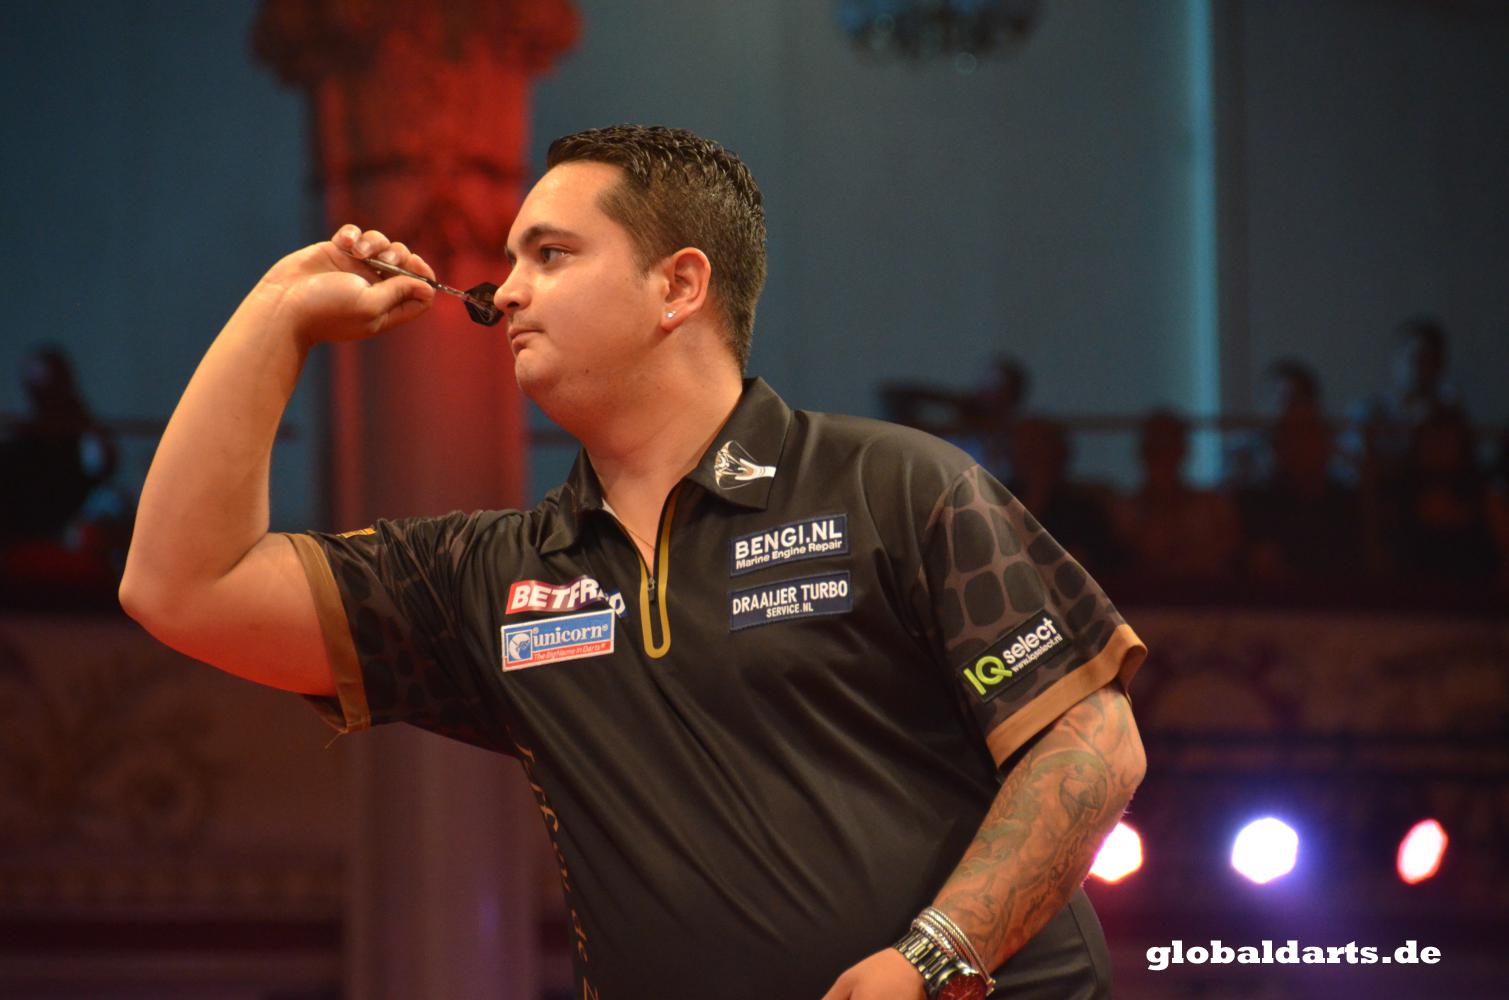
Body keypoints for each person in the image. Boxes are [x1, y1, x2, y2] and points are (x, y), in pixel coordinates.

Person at [121, 125, 1146, 1000]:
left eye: (550, 254)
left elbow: (1092, 742)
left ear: (678, 286)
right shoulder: (492, 575)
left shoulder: (894, 484)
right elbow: (183, 587)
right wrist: (278, 313)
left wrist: (935, 956)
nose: (505, 292)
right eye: (510, 262)